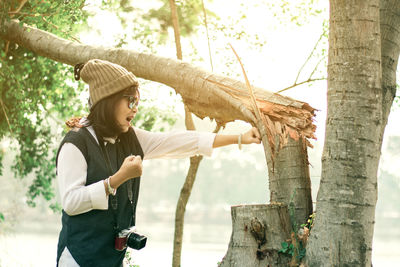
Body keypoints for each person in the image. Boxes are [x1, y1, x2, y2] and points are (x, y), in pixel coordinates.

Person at [56, 59, 261, 267]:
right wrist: (117, 179)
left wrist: (239, 138)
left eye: (137, 102)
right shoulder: (76, 143)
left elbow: (179, 142)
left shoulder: (130, 138)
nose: (135, 109)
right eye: (130, 101)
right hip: (77, 258)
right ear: (108, 100)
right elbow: (71, 203)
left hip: (111, 260)